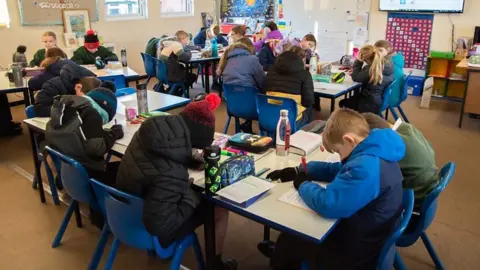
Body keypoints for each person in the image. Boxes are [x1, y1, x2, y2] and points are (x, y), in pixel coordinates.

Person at [264, 108, 405, 270]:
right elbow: (342, 168)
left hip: (359, 249)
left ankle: (282, 260)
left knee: (297, 232)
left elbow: (329, 204)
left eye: (338, 150)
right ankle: (282, 254)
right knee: (291, 240)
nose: (339, 156)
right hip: (373, 229)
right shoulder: (376, 146)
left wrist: (302, 185)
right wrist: (302, 170)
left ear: (349, 140)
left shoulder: (366, 168)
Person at [116, 93, 237, 270]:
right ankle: (215, 264)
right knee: (218, 206)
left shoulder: (150, 129)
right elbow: (161, 227)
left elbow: (162, 158)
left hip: (124, 209)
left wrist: (188, 158)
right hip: (148, 229)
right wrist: (191, 195)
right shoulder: (172, 174)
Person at [46, 86, 123, 187]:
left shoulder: (64, 108)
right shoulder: (92, 114)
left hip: (66, 170)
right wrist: (113, 134)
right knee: (126, 168)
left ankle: (64, 181)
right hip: (87, 176)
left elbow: (79, 133)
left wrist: (104, 132)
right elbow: (96, 149)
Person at [362, 113, 439, 209]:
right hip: (428, 186)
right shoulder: (407, 127)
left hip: (415, 200)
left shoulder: (391, 149)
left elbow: (368, 177)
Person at [264, 47, 314, 126]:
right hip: (292, 120)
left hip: (269, 116)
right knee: (310, 108)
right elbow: (308, 102)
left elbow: (264, 91)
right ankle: (309, 131)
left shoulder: (270, 72)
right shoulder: (305, 75)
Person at [339, 44, 394, 113]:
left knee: (343, 102)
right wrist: (357, 72)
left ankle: (354, 120)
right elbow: (363, 76)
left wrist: (358, 62)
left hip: (368, 103)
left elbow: (356, 78)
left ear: (365, 59)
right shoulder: (386, 64)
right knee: (353, 97)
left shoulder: (370, 70)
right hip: (379, 99)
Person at [34, 63, 98, 117]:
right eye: (84, 98)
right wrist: (68, 109)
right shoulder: (52, 86)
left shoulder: (94, 83)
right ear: (78, 87)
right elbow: (40, 109)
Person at [375, 40, 406, 106]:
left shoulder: (388, 63)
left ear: (388, 50)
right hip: (396, 96)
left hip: (389, 99)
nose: (377, 53)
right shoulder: (397, 59)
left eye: (380, 50)